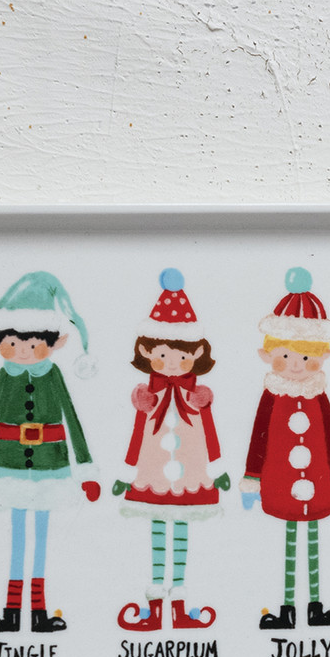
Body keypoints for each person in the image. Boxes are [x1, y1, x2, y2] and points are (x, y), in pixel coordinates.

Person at [0, 271, 99, 633]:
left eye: (34, 343)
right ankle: (11, 613)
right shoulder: (3, 377)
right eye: (13, 343)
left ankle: (39, 613)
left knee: (40, 540)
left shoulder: (53, 376)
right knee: (17, 538)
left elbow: (71, 418)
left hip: (50, 465)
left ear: (54, 343)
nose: (23, 350)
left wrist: (85, 468)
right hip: (8, 463)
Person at [113, 268, 228, 632]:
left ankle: (178, 603)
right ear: (148, 352)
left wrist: (218, 468)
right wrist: (126, 473)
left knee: (181, 530)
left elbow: (210, 433)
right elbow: (137, 435)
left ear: (196, 354)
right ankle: (153, 606)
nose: (173, 363)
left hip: (191, 475)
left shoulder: (197, 397)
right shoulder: (148, 397)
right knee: (157, 530)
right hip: (153, 475)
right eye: (163, 355)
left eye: (181, 355)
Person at [241, 267, 330, 629]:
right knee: (292, 538)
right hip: (279, 481)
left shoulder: (318, 395)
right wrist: (251, 480)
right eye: (286, 356)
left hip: (318, 482)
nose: (295, 367)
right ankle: (288, 609)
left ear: (322, 357)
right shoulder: (271, 396)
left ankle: (315, 608)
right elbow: (258, 439)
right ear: (268, 355)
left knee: (313, 538)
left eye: (306, 358)